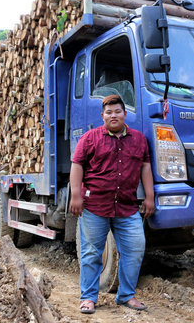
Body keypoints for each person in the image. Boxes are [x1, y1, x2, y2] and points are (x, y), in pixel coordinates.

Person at [69, 94, 155, 314]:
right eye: (109, 112)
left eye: (117, 111)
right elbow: (77, 165)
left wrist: (149, 196)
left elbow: (145, 167)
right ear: (102, 116)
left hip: (127, 207)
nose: (113, 115)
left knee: (135, 249)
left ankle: (126, 295)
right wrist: (76, 195)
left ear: (125, 114)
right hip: (95, 206)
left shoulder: (139, 139)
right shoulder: (89, 138)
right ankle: (88, 297)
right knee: (91, 253)